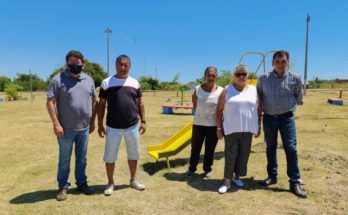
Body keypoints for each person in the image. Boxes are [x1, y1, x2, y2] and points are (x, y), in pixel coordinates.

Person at [47, 50, 97, 201]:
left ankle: (81, 183)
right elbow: (50, 102)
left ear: (83, 64)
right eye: (72, 62)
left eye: (78, 62)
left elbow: (94, 100)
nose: (75, 65)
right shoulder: (57, 80)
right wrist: (56, 124)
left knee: (82, 158)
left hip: (84, 128)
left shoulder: (89, 80)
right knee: (64, 159)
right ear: (67, 63)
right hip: (65, 129)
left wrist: (92, 121)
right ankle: (63, 186)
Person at [257, 50, 307, 198]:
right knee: (270, 147)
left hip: (287, 119)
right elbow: (259, 98)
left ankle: (294, 182)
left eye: (283, 61)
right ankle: (272, 176)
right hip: (269, 118)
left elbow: (299, 97)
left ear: (287, 62)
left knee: (291, 149)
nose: (280, 64)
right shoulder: (263, 79)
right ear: (273, 63)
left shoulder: (296, 78)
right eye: (277, 61)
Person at [98, 55, 146, 196]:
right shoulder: (107, 82)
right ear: (116, 65)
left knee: (133, 154)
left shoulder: (135, 83)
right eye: (120, 64)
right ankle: (110, 183)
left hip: (132, 126)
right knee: (110, 156)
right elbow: (101, 105)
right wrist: (100, 125)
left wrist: (143, 121)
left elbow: (140, 103)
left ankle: (133, 180)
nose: (123, 67)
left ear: (130, 66)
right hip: (113, 127)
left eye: (126, 65)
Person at [216, 65, 261, 194]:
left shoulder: (254, 90)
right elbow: (219, 110)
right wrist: (219, 128)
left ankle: (237, 177)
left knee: (243, 155)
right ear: (234, 76)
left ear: (247, 75)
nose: (241, 76)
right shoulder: (227, 90)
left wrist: (259, 125)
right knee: (231, 155)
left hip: (248, 129)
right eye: (238, 74)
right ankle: (227, 181)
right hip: (231, 129)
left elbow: (259, 109)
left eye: (244, 74)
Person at [184, 66, 223, 178]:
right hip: (198, 124)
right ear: (204, 76)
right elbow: (194, 104)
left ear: (217, 76)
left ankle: (207, 169)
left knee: (210, 149)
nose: (211, 77)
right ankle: (192, 168)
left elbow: (222, 107)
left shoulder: (221, 90)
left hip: (213, 125)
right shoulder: (196, 89)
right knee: (195, 148)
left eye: (213, 75)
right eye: (208, 75)